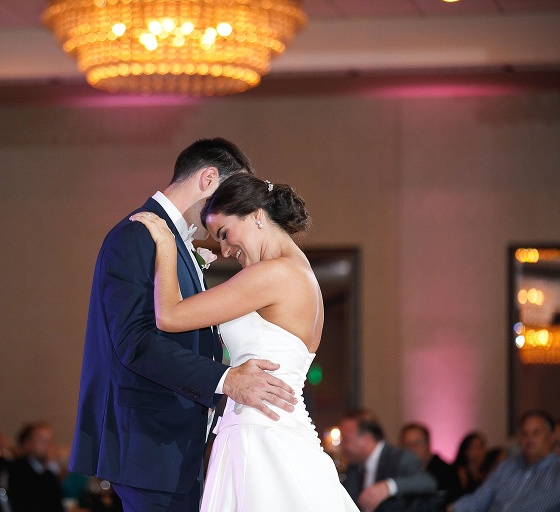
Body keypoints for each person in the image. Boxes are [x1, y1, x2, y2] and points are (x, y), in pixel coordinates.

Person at [69, 138, 299, 512]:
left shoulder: (175, 242)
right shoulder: (138, 234)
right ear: (208, 179)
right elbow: (135, 341)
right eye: (232, 192)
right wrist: (227, 380)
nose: (236, 206)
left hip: (174, 446)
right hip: (148, 443)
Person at [130, 172, 358, 511]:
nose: (223, 250)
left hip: (260, 433)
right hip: (279, 427)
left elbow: (170, 316)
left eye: (224, 234)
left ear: (255, 215)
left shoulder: (273, 273)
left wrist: (166, 246)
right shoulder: (300, 272)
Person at [447, 410, 560, 512]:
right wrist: (452, 509)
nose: (529, 439)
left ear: (551, 436)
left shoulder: (556, 473)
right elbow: (479, 499)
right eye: (524, 433)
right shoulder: (506, 467)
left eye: (536, 433)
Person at [339, 409, 437, 512]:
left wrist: (388, 487)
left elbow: (427, 482)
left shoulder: (399, 458)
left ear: (367, 439)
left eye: (346, 440)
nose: (341, 445)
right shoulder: (354, 467)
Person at [8, 423, 64, 512]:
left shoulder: (49, 468)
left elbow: (56, 503)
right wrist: (50, 471)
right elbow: (34, 501)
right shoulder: (18, 467)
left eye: (50, 441)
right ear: (30, 443)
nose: (48, 446)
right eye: (43, 441)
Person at [400, 422, 461, 504]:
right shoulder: (400, 473)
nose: (412, 449)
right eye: (407, 445)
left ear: (428, 444)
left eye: (417, 443)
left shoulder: (447, 473)